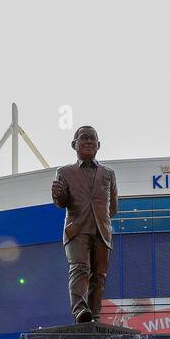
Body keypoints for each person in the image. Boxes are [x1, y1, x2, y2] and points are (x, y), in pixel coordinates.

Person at [51, 125, 119, 323]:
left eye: (92, 139)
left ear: (98, 145)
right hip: (76, 229)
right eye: (84, 138)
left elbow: (113, 207)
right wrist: (57, 194)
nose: (89, 141)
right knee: (79, 269)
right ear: (74, 144)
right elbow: (62, 202)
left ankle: (94, 314)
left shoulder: (108, 174)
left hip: (101, 230)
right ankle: (80, 310)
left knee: (99, 276)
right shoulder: (64, 172)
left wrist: (100, 218)